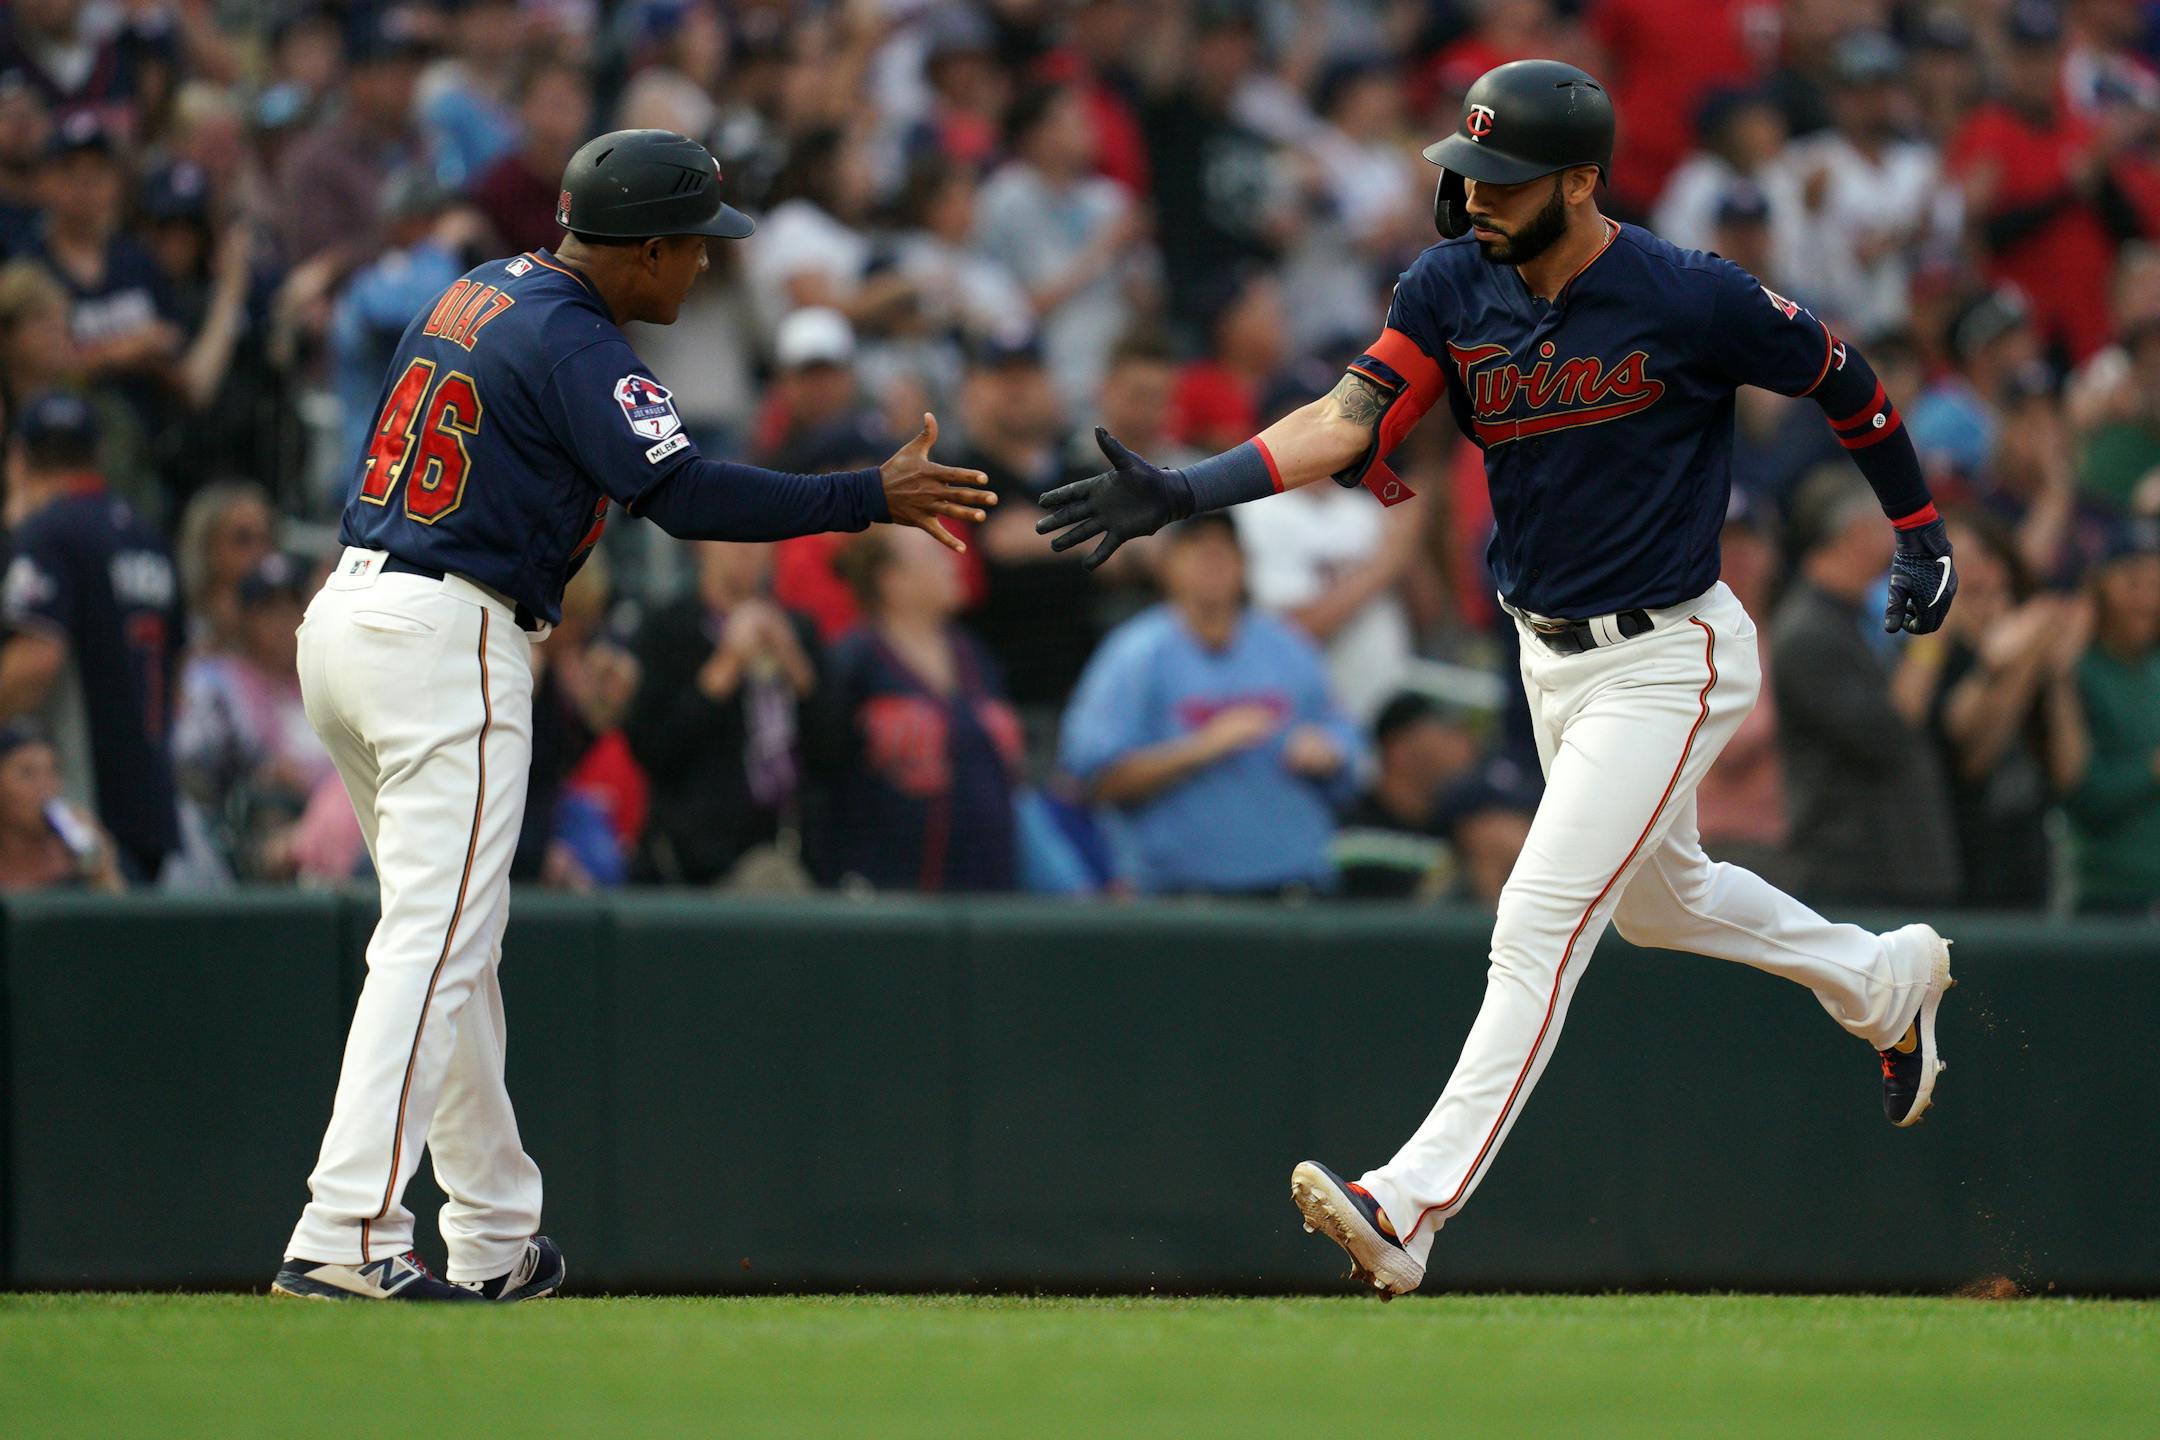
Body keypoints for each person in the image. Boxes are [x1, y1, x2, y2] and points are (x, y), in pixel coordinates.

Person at [1038, 60, 1962, 1299]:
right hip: (1549, 657)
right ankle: (1881, 980)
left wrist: (1921, 532)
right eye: (1466, 172)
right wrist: (1188, 489)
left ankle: (1408, 1206)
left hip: (1670, 652)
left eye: (1505, 179)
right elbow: (1346, 418)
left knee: (1535, 920)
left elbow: (1845, 379)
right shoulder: (1451, 284)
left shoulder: (1685, 293)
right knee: (1655, 901)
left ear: (1581, 181)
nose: (1475, 198)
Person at [272, 128, 995, 1304]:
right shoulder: (573, 335)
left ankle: (497, 1233)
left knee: (456, 944)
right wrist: (866, 494)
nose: (705, 268)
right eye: (695, 246)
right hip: (449, 633)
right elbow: (685, 494)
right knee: (437, 943)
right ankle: (345, 1230)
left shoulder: (484, 289)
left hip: (355, 616)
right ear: (643, 246)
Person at [1059, 513, 1363, 896]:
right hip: (1180, 896)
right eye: (1197, 549)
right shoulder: (1135, 655)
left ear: (1244, 563)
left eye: (1225, 549)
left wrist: (1330, 749)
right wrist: (1205, 746)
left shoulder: (1288, 648)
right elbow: (1096, 780)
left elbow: (1347, 740)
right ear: (1167, 565)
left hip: (1294, 888)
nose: (1213, 560)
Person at [0, 391, 182, 883]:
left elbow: (36, 661)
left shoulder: (47, 533)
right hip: (151, 796)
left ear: (19, 458)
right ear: (98, 454)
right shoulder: (147, 536)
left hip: (79, 812)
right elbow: (177, 672)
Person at [1768, 473, 1962, 909]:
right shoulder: (1808, 633)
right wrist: (1930, 643)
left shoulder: (1853, 616)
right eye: (1884, 525)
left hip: (1895, 869)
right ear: (1855, 533)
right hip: (1856, 876)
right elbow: (1888, 732)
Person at [824, 523, 1021, 893]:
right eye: (935, 554)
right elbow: (825, 773)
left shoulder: (973, 655)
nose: (953, 562)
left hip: (990, 887)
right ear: (891, 579)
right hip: (890, 894)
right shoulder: (854, 662)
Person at [626, 540, 822, 887]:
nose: (746, 548)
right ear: (701, 542)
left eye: (759, 535)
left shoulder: (798, 630)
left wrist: (794, 664)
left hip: (792, 853)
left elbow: (835, 748)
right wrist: (726, 665)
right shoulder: (667, 628)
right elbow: (656, 750)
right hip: (694, 869)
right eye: (732, 534)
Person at [2064, 522, 2160, 914]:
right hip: (2107, 891)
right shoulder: (2079, 672)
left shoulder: (2155, 670)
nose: (2148, 600)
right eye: (2134, 583)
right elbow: (2083, 790)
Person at [1332, 691, 1481, 900]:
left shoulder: (1460, 828)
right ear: (1399, 749)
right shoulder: (1354, 832)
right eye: (1447, 733)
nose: (1466, 744)